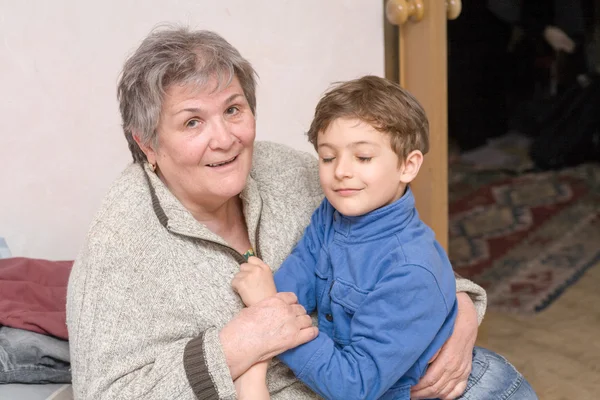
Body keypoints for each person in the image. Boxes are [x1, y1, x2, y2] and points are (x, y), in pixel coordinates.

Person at [66, 26, 527, 400]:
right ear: (147, 143)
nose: (225, 138)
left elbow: (391, 250)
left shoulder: (287, 169)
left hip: (377, 377)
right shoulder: (120, 243)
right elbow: (103, 392)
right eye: (192, 121)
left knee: (491, 377)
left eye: (233, 109)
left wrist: (463, 308)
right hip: (333, 383)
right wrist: (239, 347)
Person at [231, 76, 538, 400]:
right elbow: (290, 287)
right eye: (328, 157)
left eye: (362, 157)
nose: (341, 171)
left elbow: (352, 386)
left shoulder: (410, 270)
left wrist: (270, 314)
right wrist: (266, 324)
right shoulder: (330, 217)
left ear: (407, 166)